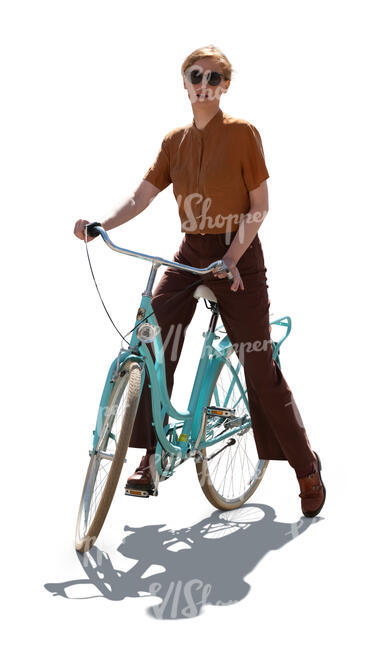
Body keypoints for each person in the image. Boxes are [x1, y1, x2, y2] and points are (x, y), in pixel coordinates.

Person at [74, 45, 326, 517]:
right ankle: (152, 457)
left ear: (225, 85)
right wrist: (101, 223)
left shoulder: (244, 134)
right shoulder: (175, 142)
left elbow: (260, 206)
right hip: (191, 252)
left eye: (214, 77)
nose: (204, 84)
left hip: (239, 256)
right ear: (185, 82)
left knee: (259, 367)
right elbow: (142, 195)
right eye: (196, 76)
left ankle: (306, 468)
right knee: (152, 339)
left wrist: (232, 257)